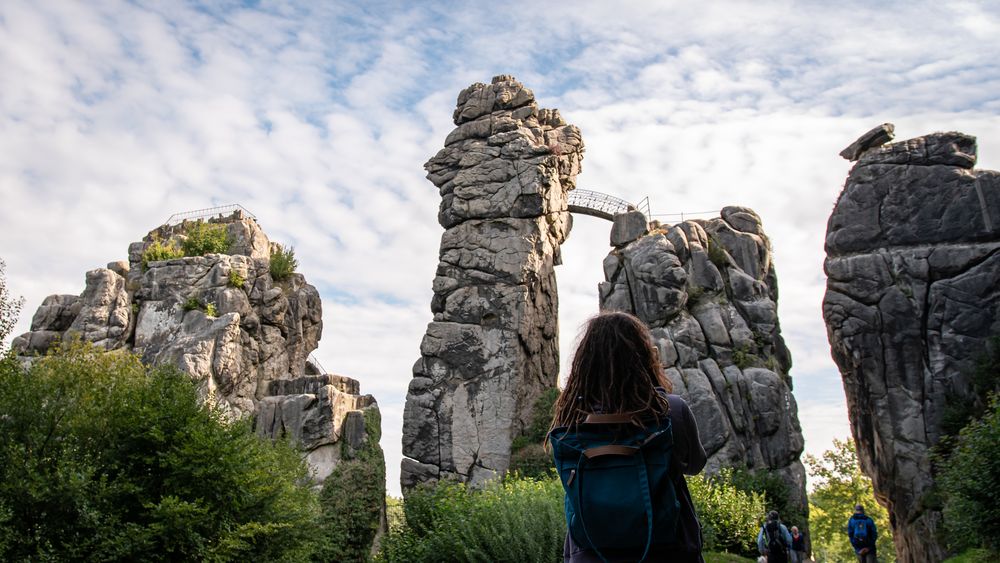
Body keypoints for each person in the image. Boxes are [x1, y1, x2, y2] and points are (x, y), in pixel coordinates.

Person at [552, 311, 708, 563]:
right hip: (668, 550)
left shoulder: (570, 416)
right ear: (645, 356)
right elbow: (695, 464)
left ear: (585, 362)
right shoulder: (671, 409)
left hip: (591, 553)